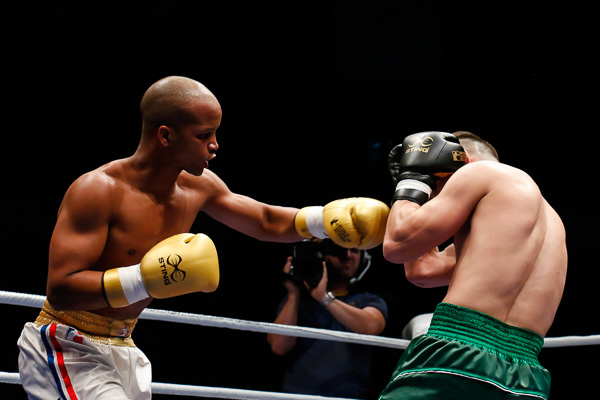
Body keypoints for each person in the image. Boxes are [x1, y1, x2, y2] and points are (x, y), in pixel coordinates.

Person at [16, 76, 390, 400]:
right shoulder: (98, 190)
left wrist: (325, 220)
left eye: (215, 133)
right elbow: (61, 287)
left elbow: (263, 219)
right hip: (67, 340)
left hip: (123, 342)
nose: (215, 145)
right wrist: (144, 279)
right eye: (203, 135)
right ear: (165, 135)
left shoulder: (197, 186)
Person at [378, 131, 567, 400]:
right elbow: (423, 270)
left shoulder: (477, 173)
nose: (436, 195)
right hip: (526, 377)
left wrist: (412, 183)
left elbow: (397, 245)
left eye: (438, 185)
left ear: (460, 160)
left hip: (457, 352)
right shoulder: (550, 221)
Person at [268, 239, 388, 398]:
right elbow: (279, 346)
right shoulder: (298, 300)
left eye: (354, 250)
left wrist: (324, 298)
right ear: (324, 256)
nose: (347, 255)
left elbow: (371, 327)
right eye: (339, 250)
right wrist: (293, 292)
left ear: (363, 257)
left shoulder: (368, 300)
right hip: (297, 396)